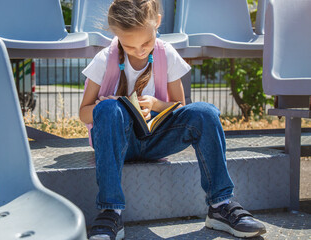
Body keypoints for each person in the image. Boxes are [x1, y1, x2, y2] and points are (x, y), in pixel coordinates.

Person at [79, 0, 266, 239]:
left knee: (205, 113)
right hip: (117, 142)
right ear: (117, 35)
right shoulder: (105, 59)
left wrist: (157, 105)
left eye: (146, 42)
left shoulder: (165, 53)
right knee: (107, 110)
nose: (139, 50)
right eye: (129, 45)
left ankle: (220, 205)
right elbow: (84, 112)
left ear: (157, 22)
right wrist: (108, 105)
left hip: (156, 140)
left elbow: (180, 108)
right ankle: (110, 210)